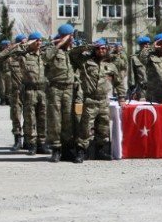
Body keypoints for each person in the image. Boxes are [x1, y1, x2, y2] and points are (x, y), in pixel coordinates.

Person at [71, 38, 127, 162]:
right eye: (99, 48)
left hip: (103, 100)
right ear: (95, 49)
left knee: (103, 127)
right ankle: (81, 151)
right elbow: (73, 54)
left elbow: (119, 83)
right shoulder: (86, 62)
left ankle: (100, 151)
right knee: (85, 127)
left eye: (103, 48)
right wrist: (89, 46)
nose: (101, 50)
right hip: (90, 100)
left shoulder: (110, 65)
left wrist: (121, 98)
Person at [43, 24, 78, 163]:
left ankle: (67, 149)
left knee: (68, 119)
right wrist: (59, 44)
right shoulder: (52, 48)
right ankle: (56, 149)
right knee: (55, 120)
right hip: (55, 89)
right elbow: (45, 58)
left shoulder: (72, 51)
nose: (73, 39)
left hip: (69, 89)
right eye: (71, 36)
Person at [13, 32, 49, 156]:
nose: (39, 43)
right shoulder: (23, 56)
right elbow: (5, 56)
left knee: (43, 118)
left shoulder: (45, 55)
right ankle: (32, 144)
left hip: (43, 91)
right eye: (36, 41)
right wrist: (24, 45)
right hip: (30, 90)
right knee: (30, 119)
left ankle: (42, 144)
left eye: (40, 41)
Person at [0, 34, 27, 149]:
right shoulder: (10, 55)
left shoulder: (29, 54)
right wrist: (11, 47)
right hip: (16, 90)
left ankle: (29, 140)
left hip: (28, 90)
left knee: (29, 116)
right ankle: (17, 139)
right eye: (22, 42)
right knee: (16, 115)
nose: (24, 45)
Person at [0, 39, 11, 105]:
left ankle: (8, 98)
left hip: (9, 71)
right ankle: (2, 99)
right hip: (1, 72)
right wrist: (4, 52)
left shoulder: (11, 52)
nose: (8, 46)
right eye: (6, 45)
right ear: (2, 46)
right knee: (2, 87)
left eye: (9, 45)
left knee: (9, 86)